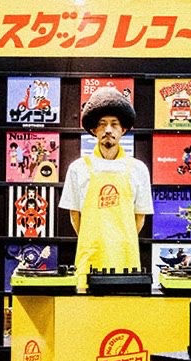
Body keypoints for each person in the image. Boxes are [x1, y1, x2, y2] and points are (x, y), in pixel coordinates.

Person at [59, 87, 154, 290]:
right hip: (90, 256)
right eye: (102, 124)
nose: (108, 130)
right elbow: (74, 216)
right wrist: (92, 239)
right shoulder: (78, 168)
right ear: (94, 130)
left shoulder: (138, 169)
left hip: (125, 258)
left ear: (123, 130)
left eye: (114, 124)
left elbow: (140, 218)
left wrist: (121, 240)